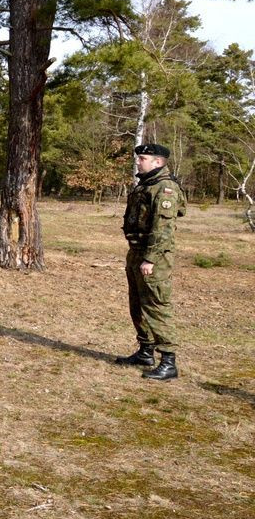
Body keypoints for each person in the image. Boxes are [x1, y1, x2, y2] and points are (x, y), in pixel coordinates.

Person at [116, 143, 187, 381]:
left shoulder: (165, 188)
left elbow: (163, 229)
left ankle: (168, 361)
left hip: (153, 257)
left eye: (143, 158)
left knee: (156, 305)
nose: (138, 161)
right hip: (136, 252)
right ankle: (145, 351)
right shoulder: (146, 185)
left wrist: (150, 259)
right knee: (137, 304)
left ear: (158, 162)